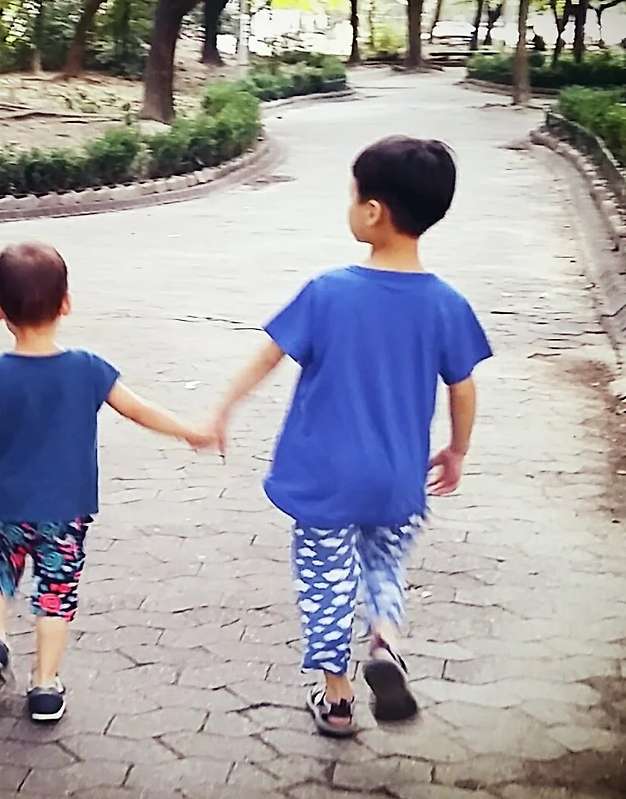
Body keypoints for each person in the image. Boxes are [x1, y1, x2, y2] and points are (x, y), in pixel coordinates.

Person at [208, 136, 492, 735]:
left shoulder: (329, 291)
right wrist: (457, 450)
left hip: (326, 479)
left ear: (373, 211)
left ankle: (337, 701)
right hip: (398, 479)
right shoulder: (446, 303)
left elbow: (270, 354)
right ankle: (385, 639)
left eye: (352, 196)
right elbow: (463, 388)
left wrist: (224, 407)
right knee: (384, 567)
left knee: (326, 584)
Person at [0, 242, 217, 723]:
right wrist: (189, 430)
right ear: (66, 303)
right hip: (65, 511)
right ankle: (45, 685)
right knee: (55, 592)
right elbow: (137, 409)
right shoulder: (88, 368)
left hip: (4, 506)